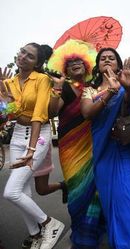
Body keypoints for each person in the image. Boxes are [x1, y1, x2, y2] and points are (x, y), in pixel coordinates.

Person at [80, 47, 130, 249]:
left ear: (118, 63)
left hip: (125, 153)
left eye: (112, 58)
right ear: (97, 65)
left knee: (127, 204)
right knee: (110, 207)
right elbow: (88, 113)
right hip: (103, 154)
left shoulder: (126, 85)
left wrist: (129, 89)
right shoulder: (90, 90)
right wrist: (110, 92)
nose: (107, 60)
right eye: (103, 58)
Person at [2, 43, 65, 249]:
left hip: (37, 136)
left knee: (11, 192)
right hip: (17, 135)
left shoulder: (43, 80)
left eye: (29, 56)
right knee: (22, 190)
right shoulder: (9, 81)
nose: (23, 57)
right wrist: (4, 96)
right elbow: (10, 113)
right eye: (22, 52)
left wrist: (31, 150)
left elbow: (39, 115)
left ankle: (50, 224)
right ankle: (36, 234)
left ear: (37, 63)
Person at [46, 39, 105, 248]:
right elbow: (52, 112)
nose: (76, 65)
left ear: (87, 65)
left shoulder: (94, 88)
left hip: (93, 144)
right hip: (70, 147)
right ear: (66, 69)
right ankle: (80, 231)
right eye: (71, 64)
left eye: (79, 61)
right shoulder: (67, 88)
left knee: (95, 189)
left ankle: (93, 230)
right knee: (77, 189)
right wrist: (57, 88)